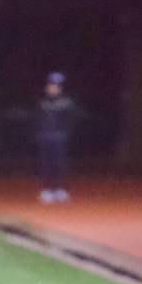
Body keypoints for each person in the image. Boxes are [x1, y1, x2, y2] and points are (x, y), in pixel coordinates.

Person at [35, 71, 81, 204]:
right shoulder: (42, 102)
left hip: (60, 136)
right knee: (45, 164)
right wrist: (39, 133)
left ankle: (58, 189)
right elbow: (37, 119)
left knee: (59, 163)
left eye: (56, 85)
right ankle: (46, 189)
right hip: (44, 136)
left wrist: (66, 132)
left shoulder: (68, 103)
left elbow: (73, 119)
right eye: (51, 85)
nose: (53, 88)